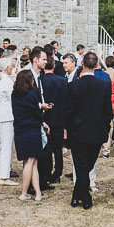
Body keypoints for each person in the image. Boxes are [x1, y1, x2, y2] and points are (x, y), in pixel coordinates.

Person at [66, 52, 112, 209]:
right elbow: (108, 112)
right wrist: (105, 129)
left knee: (82, 166)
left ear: (83, 64)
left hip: (79, 131)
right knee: (84, 166)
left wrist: (69, 129)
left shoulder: (73, 86)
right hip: (96, 132)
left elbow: (69, 112)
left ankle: (76, 195)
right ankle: (85, 198)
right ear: (97, 65)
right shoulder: (104, 86)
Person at [12, 70, 51, 202]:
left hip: (19, 129)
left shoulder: (14, 95)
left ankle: (38, 192)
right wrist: (43, 123)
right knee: (30, 161)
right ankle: (24, 192)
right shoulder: (32, 95)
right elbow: (37, 112)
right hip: (32, 129)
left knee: (33, 161)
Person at [38, 55, 68, 187]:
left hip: (46, 117)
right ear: (54, 67)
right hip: (59, 116)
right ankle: (58, 171)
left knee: (47, 147)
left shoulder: (41, 80)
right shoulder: (62, 81)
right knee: (58, 147)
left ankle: (47, 172)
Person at [0, 56, 17, 186]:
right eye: (11, 67)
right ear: (7, 68)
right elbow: (13, 98)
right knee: (6, 146)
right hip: (6, 116)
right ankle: (4, 176)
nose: (12, 69)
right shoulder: (7, 81)